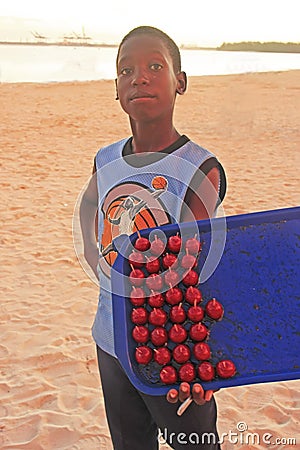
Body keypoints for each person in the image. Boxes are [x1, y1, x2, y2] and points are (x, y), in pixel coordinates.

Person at [79, 26, 226, 450]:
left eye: (154, 67)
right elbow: (91, 201)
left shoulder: (200, 169)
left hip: (169, 349)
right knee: (130, 443)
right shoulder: (105, 157)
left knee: (193, 444)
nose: (138, 78)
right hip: (110, 339)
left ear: (180, 81)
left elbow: (194, 269)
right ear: (116, 89)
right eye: (126, 70)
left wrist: (196, 357)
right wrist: (94, 252)